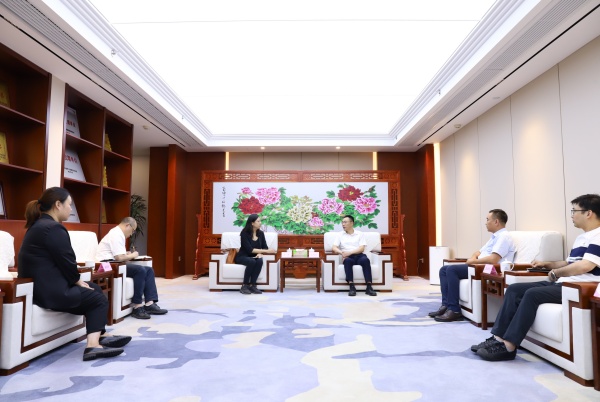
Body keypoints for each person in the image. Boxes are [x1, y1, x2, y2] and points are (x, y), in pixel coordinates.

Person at [472, 194, 600, 361]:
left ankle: (509, 347)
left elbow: (585, 266)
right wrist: (547, 264)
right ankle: (497, 338)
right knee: (514, 289)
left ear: (588, 213)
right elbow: (569, 263)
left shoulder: (598, 235)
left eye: (574, 211)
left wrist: (556, 273)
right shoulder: (582, 238)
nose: (571, 216)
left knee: (532, 294)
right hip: (565, 283)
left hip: (579, 288)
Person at [18, 187, 131, 361]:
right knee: (98, 299)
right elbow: (67, 260)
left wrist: (78, 281)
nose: (71, 209)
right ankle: (92, 346)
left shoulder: (40, 225)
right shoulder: (53, 228)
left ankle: (100, 334)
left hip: (41, 288)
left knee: (94, 288)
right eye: (69, 205)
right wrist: (76, 280)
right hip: (50, 292)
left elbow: (61, 260)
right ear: (58, 205)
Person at [429, 209, 516, 322]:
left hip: (491, 269)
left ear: (496, 222)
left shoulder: (504, 237)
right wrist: (473, 259)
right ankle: (446, 305)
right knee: (444, 269)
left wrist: (472, 262)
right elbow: (477, 252)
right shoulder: (494, 237)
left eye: (487, 219)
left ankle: (454, 310)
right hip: (481, 266)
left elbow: (493, 259)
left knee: (452, 270)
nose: (485, 222)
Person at [96, 217, 168, 319]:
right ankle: (137, 306)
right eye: (133, 230)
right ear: (127, 225)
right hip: (106, 265)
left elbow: (118, 255)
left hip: (113, 263)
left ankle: (149, 304)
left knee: (149, 270)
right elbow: (119, 257)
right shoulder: (116, 234)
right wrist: (133, 255)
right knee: (140, 270)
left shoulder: (118, 233)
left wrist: (127, 254)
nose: (131, 234)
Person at [332, 215, 377, 297]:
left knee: (366, 260)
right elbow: (334, 248)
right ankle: (351, 286)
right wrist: (342, 252)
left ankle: (369, 287)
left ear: (351, 223)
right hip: (347, 257)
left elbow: (361, 248)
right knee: (347, 261)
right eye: (342, 222)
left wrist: (350, 252)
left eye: (345, 222)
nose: (343, 224)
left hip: (359, 255)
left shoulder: (360, 234)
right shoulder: (340, 235)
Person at [235, 214, 276, 295]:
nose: (260, 223)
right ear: (252, 223)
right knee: (252, 261)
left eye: (260, 221)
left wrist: (260, 254)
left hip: (254, 256)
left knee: (259, 261)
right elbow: (250, 250)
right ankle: (245, 285)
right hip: (242, 256)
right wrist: (267, 251)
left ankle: (253, 285)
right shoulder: (244, 233)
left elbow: (265, 247)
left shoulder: (261, 233)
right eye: (258, 221)